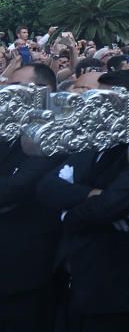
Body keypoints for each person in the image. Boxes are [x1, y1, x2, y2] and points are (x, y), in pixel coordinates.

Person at [36, 70, 129, 331]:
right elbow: (46, 186)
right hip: (81, 286)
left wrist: (68, 213)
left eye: (99, 100)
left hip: (125, 292)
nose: (88, 106)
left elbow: (108, 207)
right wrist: (89, 195)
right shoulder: (91, 144)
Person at [0, 63, 63, 332]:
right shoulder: (8, 131)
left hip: (25, 267)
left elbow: (16, 188)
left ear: (42, 92)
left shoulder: (54, 135)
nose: (8, 95)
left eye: (16, 89)